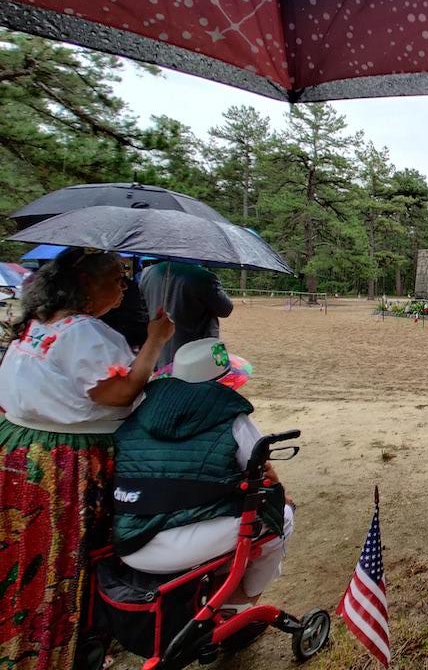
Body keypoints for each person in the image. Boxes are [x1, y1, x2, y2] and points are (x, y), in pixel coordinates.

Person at [0, 248, 173, 670]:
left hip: (21, 449)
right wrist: (156, 340)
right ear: (85, 284)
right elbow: (119, 393)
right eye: (115, 277)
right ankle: (65, 640)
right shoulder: (83, 333)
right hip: (67, 459)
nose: (124, 285)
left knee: (27, 548)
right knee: (70, 551)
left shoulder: (38, 323)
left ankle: (26, 631)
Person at [113, 338, 293, 609]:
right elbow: (261, 472)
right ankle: (240, 605)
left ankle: (218, 593)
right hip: (185, 546)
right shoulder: (234, 421)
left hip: (129, 541)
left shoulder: (136, 413)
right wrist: (281, 494)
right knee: (282, 517)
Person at [141, 260, 234, 368]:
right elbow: (226, 309)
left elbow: (143, 309)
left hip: (158, 354)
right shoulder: (202, 276)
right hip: (195, 357)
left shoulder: (147, 273)